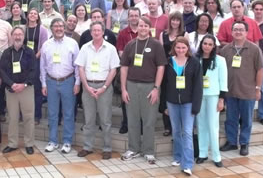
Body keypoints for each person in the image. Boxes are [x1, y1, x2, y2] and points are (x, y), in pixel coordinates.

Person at [120, 16, 167, 164]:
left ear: (149, 28)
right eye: (140, 25)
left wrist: (156, 88)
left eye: (146, 26)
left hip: (150, 86)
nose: (143, 28)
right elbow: (124, 68)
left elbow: (161, 67)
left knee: (149, 120)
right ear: (137, 27)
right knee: (132, 119)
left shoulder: (156, 45)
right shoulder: (130, 44)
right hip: (132, 85)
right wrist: (123, 89)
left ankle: (148, 151)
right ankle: (133, 148)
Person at [75, 21, 120, 160]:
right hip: (88, 86)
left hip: (104, 87)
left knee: (105, 120)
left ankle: (107, 148)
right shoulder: (85, 48)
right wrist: (86, 86)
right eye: (93, 30)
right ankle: (87, 147)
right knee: (88, 120)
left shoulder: (111, 48)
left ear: (103, 32)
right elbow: (80, 68)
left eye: (98, 30)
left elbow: (114, 69)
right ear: (90, 32)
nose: (96, 33)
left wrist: (104, 87)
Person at [219, 21, 263, 156]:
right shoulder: (225, 50)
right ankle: (232, 142)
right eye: (235, 29)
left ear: (246, 32)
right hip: (230, 91)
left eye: (241, 30)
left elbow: (260, 70)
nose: (238, 32)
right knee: (230, 118)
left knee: (246, 119)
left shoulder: (254, 49)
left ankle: (244, 143)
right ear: (231, 32)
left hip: (248, 91)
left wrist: (258, 88)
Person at [163, 37, 203, 176]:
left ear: (188, 48)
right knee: (176, 130)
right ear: (174, 48)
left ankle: (187, 164)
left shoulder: (194, 63)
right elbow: (165, 85)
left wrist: (196, 106)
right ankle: (178, 157)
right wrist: (164, 106)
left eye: (183, 48)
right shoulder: (168, 62)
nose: (180, 50)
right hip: (172, 102)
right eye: (178, 47)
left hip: (188, 103)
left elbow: (198, 87)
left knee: (187, 132)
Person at [40, 18, 80, 154]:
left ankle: (67, 141)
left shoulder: (72, 43)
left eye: (61, 26)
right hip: (51, 82)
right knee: (52, 113)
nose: (58, 28)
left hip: (68, 81)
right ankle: (53, 141)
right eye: (55, 26)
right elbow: (43, 66)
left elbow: (77, 65)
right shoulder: (46, 45)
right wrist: (44, 83)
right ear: (51, 28)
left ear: (64, 28)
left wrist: (77, 82)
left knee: (68, 113)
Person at [0, 27, 37, 154]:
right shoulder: (6, 53)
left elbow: (33, 70)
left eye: (20, 34)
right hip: (11, 90)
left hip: (26, 89)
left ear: (23, 36)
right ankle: (12, 143)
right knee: (13, 117)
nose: (17, 36)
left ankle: (29, 143)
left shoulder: (29, 52)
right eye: (15, 34)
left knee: (28, 117)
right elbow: (2, 71)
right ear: (11, 36)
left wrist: (24, 84)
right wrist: (12, 84)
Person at [195, 34, 227, 168]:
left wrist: (221, 100)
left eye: (210, 44)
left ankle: (216, 156)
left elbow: (223, 81)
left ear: (214, 46)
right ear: (201, 44)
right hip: (199, 96)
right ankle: (202, 153)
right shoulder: (196, 59)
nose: (206, 46)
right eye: (204, 43)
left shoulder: (220, 60)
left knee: (213, 126)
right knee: (201, 125)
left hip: (213, 96)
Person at [24, 9, 49, 124]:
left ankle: (36, 116)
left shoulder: (42, 30)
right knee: (23, 87)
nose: (33, 15)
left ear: (38, 17)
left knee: (36, 89)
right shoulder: (23, 28)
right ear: (27, 16)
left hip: (37, 61)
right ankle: (23, 114)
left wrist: (35, 57)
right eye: (31, 13)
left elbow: (44, 45)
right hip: (23, 61)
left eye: (35, 14)